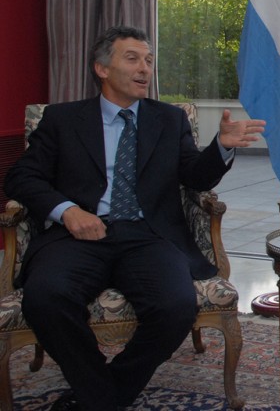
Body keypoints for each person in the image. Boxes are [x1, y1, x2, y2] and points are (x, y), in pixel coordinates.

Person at [4, 26, 266, 411]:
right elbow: (20, 177)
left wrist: (221, 147)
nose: (144, 68)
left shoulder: (169, 120)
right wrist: (69, 211)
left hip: (150, 235)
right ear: (102, 69)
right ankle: (103, 395)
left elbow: (195, 178)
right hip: (77, 235)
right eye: (132, 59)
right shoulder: (62, 119)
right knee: (45, 299)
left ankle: (101, 397)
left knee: (176, 305)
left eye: (148, 60)